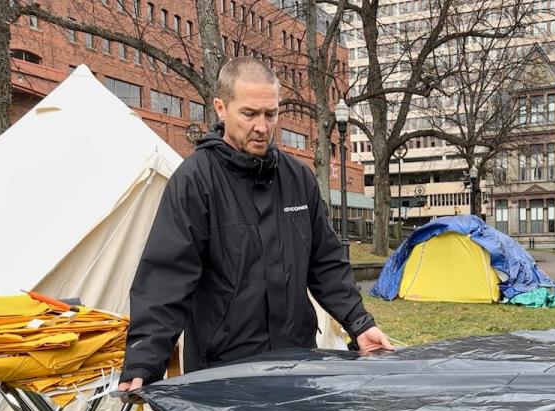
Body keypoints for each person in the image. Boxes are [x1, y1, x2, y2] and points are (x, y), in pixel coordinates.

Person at [118, 58, 391, 391]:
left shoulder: (298, 178)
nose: (262, 126)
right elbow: (166, 277)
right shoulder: (195, 181)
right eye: (249, 114)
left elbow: (326, 264)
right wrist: (144, 362)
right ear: (221, 108)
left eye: (271, 114)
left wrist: (360, 324)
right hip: (223, 373)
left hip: (297, 363)